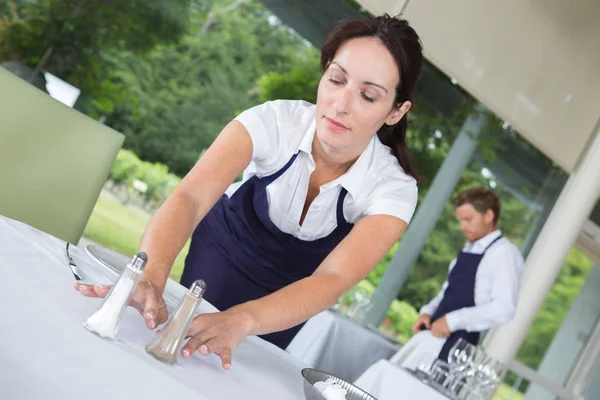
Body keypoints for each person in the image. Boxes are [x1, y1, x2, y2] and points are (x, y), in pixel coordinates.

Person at [75, 14, 424, 370]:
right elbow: (191, 198)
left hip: (292, 294)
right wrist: (150, 276)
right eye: (336, 80)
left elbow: (332, 279)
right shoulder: (273, 122)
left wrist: (243, 320)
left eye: (367, 96)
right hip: (224, 249)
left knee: (235, 374)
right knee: (169, 343)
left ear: (396, 112)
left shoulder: (393, 188)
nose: (341, 103)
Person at [410, 188, 524, 361]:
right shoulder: (468, 248)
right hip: (430, 337)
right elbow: (447, 291)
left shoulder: (504, 253)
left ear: (488, 216)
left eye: (468, 220)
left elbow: (504, 308)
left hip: (456, 347)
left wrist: (452, 321)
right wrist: (428, 312)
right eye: (461, 221)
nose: (462, 227)